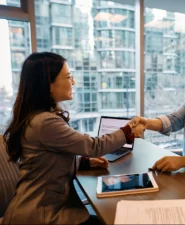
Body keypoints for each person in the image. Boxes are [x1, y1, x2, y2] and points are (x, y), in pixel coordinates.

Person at [2, 52, 145, 225]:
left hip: (38, 208)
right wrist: (128, 130)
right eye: (69, 77)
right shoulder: (45, 122)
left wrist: (83, 162)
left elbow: (47, 160)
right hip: (43, 215)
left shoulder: (35, 117)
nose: (73, 82)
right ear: (49, 84)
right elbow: (94, 146)